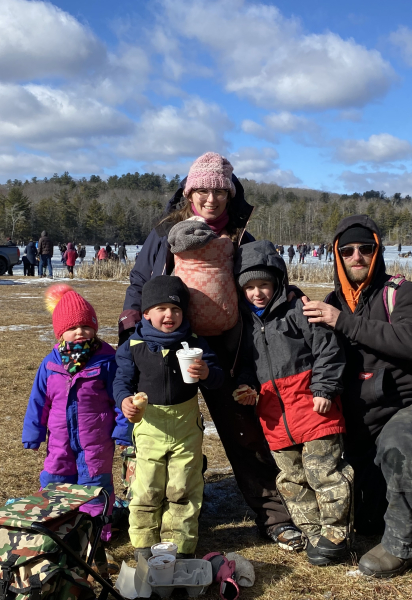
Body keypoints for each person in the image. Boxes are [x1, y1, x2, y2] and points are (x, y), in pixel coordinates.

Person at [118, 151, 303, 552]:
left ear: (230, 194)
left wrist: (294, 299)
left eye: (218, 190)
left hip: (224, 350)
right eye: (201, 190)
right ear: (189, 193)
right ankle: (163, 519)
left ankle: (274, 515)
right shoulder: (165, 231)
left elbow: (264, 280)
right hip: (165, 345)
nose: (210, 198)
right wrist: (132, 321)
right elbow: (140, 279)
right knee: (161, 433)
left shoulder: (240, 236)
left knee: (243, 432)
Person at [299, 215, 412, 578]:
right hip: (358, 419)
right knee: (366, 521)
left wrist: (342, 322)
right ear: (337, 255)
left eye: (366, 248)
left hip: (405, 405)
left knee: (400, 446)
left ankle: (404, 548)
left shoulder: (402, 292)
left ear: (377, 251)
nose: (357, 256)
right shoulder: (332, 301)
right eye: (347, 250)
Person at [233, 241, 351, 566]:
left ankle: (336, 534)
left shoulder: (301, 310)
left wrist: (325, 389)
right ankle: (315, 534)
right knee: (291, 479)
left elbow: (328, 350)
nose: (257, 293)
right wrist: (246, 387)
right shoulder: (244, 327)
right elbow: (244, 366)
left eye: (264, 285)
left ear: (278, 282)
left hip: (315, 411)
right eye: (250, 287)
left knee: (324, 473)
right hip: (275, 419)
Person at [115, 276, 223, 559]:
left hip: (186, 427)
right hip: (149, 427)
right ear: (146, 312)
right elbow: (122, 382)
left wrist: (208, 374)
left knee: (183, 488)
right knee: (146, 488)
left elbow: (218, 379)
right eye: (161, 308)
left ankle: (180, 547)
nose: (169, 315)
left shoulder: (194, 343)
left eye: (175, 309)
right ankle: (143, 544)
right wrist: (125, 401)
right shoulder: (133, 345)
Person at [22, 284, 130, 537]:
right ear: (60, 333)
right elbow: (38, 401)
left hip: (96, 441)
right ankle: (58, 532)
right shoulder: (50, 364)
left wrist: (124, 430)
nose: (80, 332)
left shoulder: (106, 360)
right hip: (59, 440)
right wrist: (33, 433)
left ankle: (94, 537)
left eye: (86, 326)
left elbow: (120, 397)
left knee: (94, 484)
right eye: (72, 328)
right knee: (55, 481)